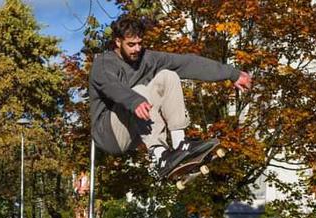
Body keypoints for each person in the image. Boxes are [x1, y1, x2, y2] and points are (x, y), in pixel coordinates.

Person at [89, 14, 252, 179]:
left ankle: (180, 144)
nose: (137, 49)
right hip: (109, 134)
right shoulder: (104, 63)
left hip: (135, 130)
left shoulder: (148, 58)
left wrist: (232, 74)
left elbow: (187, 63)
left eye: (139, 43)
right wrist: (134, 100)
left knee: (168, 75)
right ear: (118, 42)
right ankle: (160, 156)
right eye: (131, 45)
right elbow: (110, 85)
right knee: (139, 91)